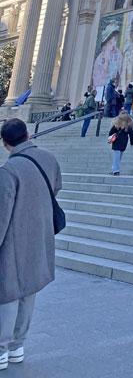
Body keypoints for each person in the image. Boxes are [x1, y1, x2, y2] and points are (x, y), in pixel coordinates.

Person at [0, 118, 62, 369]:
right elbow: (56, 187)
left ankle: (1, 348)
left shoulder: (8, 170)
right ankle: (17, 345)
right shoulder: (49, 158)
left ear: (5, 144)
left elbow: (2, 212)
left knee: (8, 293)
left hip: (14, 237)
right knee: (28, 292)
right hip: (40, 234)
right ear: (27, 134)